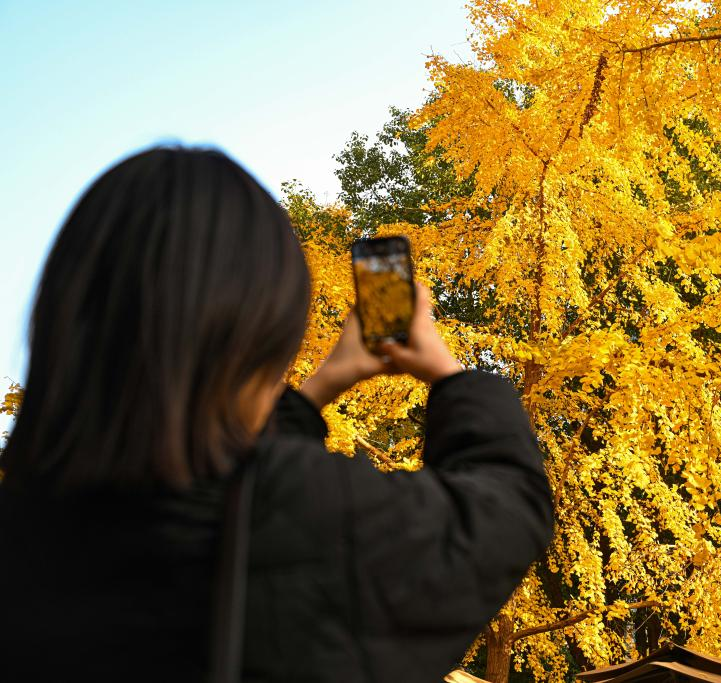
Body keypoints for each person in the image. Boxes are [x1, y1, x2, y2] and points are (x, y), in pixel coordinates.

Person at [0, 147, 554, 682]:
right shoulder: (294, 513)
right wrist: (449, 375)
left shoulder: (30, 523)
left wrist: (316, 391)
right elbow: (508, 508)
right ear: (259, 332)